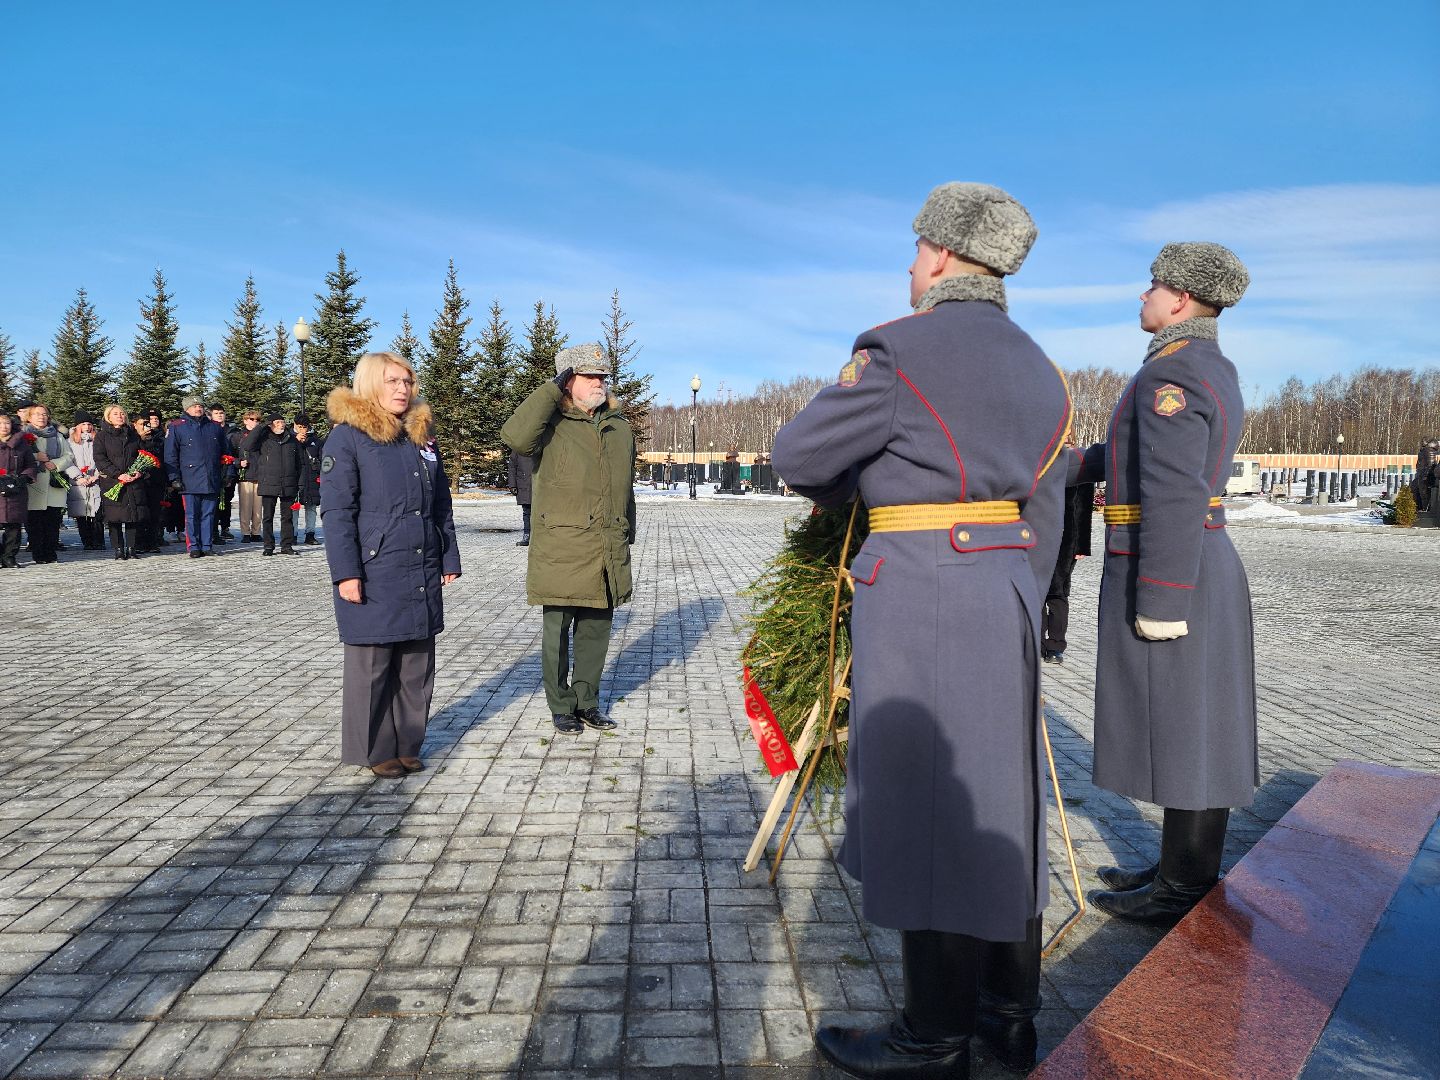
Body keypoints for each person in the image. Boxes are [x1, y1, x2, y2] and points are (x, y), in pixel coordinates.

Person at [771, 183, 1071, 1079]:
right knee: (997, 803)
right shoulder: (1043, 369)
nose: (908, 266)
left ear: (941, 254)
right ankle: (1006, 1016)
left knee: (932, 809)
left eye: (913, 249)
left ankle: (931, 1039)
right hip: (1005, 589)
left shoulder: (897, 351)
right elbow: (1048, 504)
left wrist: (860, 489)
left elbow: (797, 456)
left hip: (922, 589)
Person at [1069, 242, 1257, 926]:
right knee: (1197, 725)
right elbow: (1137, 458)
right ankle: (1181, 865)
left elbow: (1175, 492)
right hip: (1196, 563)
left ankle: (1184, 885)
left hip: (1173, 568)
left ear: (1180, 299)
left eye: (1152, 285)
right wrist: (1074, 464)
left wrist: (1161, 600)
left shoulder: (1169, 377)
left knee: (1188, 727)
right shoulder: (1205, 364)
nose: (1141, 295)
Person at [322, 352, 461, 778]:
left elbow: (440, 503)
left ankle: (408, 742)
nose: (403, 389)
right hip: (374, 566)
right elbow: (337, 511)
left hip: (420, 564)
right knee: (374, 663)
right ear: (369, 385)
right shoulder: (348, 438)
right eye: (392, 381)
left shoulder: (421, 435)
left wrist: (449, 554)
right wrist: (346, 573)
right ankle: (375, 748)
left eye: (407, 381)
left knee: (417, 663)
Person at [501, 342, 636, 736]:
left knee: (596, 629)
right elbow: (516, 437)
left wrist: (627, 531)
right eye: (589, 375)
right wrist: (549, 391)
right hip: (562, 545)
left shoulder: (618, 426)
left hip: (607, 545)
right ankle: (561, 705)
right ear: (567, 381)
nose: (599, 382)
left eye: (602, 376)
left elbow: (625, 488)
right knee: (557, 632)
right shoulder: (550, 424)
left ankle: (587, 701)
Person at [1042, 452, 1095, 664]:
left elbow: (1085, 510)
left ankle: (1055, 645)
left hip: (1067, 539)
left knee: (1057, 592)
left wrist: (1082, 545)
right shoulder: (1040, 457)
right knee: (1036, 591)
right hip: (1039, 535)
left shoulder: (1079, 463)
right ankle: (1035, 641)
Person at [164, 394, 227, 558]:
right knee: (192, 515)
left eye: (200, 406)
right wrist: (174, 478)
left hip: (211, 477)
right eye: (194, 406)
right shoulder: (177, 427)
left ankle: (207, 545)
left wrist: (228, 474)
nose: (198, 409)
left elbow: (226, 453)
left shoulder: (214, 427)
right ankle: (193, 546)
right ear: (186, 409)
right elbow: (170, 455)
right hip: (189, 479)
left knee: (209, 515)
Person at [242, 412, 302, 556]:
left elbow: (300, 463)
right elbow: (247, 445)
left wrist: (298, 483)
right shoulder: (263, 438)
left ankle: (286, 545)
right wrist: (261, 426)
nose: (280, 424)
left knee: (287, 517)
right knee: (268, 517)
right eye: (277, 422)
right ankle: (268, 546)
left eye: (282, 421)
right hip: (268, 483)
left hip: (288, 483)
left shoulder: (292, 439)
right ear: (270, 424)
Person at [95, 404, 149, 560]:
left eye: (122, 413)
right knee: (114, 516)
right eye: (116, 414)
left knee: (132, 515)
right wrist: (118, 474)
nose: (120, 416)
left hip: (133, 481)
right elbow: (100, 459)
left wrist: (140, 471)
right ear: (108, 417)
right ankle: (118, 549)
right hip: (113, 482)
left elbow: (142, 454)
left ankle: (132, 548)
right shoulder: (102, 436)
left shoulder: (132, 435)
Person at [22, 403, 73, 564]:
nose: (41, 417)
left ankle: (51, 553)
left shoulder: (57, 435)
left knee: (52, 523)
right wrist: (37, 457)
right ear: (30, 417)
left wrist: (56, 463)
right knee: (35, 523)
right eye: (37, 414)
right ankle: (38, 554)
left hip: (53, 485)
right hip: (34, 484)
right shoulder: (24, 436)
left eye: (44, 414)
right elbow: (20, 455)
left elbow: (69, 456)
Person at [0, 413, 38, 567]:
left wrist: (24, 477)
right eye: (1, 424)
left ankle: (9, 557)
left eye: (7, 423)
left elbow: (30, 464)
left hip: (15, 490)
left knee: (14, 526)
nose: (4, 427)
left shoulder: (21, 444)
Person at [67, 412, 105, 550]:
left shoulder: (98, 440)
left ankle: (99, 541)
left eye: (89, 424)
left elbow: (102, 459)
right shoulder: (70, 443)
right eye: (83, 424)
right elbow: (68, 462)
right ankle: (87, 541)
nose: (87, 427)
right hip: (79, 483)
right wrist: (78, 476)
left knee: (97, 514)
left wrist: (97, 475)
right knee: (82, 514)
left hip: (95, 480)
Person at [133, 414, 167, 552]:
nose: (146, 427)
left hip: (156, 480)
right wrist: (140, 438)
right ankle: (139, 542)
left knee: (154, 512)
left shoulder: (158, 438)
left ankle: (152, 542)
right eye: (142, 424)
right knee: (140, 513)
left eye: (147, 424)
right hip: (138, 480)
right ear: (135, 424)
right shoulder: (131, 438)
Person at [292, 413, 323, 545]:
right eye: (299, 427)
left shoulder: (315, 441)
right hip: (295, 478)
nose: (302, 430)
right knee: (294, 507)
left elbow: (322, 459)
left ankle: (310, 534)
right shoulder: (288, 439)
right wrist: (296, 441)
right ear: (294, 425)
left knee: (311, 507)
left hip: (311, 478)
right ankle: (292, 534)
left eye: (304, 427)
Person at [235, 409, 263, 541]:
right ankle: (245, 532)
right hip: (245, 474)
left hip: (259, 474)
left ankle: (256, 532)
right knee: (245, 506)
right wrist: (239, 463)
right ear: (245, 420)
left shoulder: (262, 435)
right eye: (252, 419)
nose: (255, 422)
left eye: (257, 420)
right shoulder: (238, 436)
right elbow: (231, 454)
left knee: (258, 507)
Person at [210, 406, 237, 544]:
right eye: (216, 413)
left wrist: (230, 474)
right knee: (213, 505)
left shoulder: (231, 431)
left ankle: (224, 528)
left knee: (226, 502)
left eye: (221, 413)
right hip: (213, 472)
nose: (219, 415)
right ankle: (213, 532)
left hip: (226, 471)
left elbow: (230, 454)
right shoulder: (209, 429)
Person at [506, 450, 534, 546]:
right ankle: (527, 535)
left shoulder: (540, 445)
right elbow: (512, 467)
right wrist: (512, 485)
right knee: (527, 512)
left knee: (541, 513)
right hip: (524, 485)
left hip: (539, 486)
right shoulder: (518, 449)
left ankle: (540, 537)